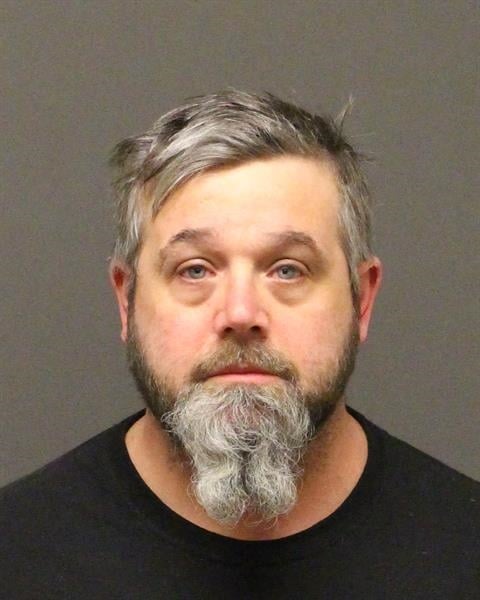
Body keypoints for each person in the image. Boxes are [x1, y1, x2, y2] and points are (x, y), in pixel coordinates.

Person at [1, 90, 478, 599]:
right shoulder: (16, 556)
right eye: (195, 270)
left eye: (288, 269)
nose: (241, 314)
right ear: (126, 300)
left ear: (362, 300)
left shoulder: (465, 554)